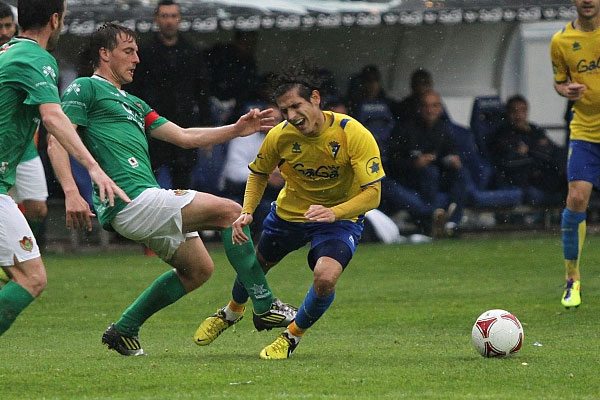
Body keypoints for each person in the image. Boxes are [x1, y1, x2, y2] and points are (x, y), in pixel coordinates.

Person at [48, 22, 295, 356]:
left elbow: (183, 136)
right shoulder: (84, 88)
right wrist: (71, 192)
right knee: (230, 212)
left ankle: (124, 329)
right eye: (129, 51)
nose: (136, 58)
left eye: (136, 51)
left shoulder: (134, 104)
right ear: (104, 54)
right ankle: (265, 305)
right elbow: (56, 140)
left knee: (198, 270)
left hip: (142, 199)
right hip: (130, 199)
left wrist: (236, 130)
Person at [194, 63, 386, 359]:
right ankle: (231, 313)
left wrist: (334, 213)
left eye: (297, 106)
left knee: (325, 278)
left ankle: (291, 336)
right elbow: (258, 173)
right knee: (256, 265)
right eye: (285, 110)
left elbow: (373, 194)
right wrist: (247, 211)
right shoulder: (280, 135)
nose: (292, 116)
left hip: (339, 219)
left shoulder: (352, 134)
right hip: (289, 214)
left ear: (316, 99)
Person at [0, 0, 128, 337]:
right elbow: (53, 117)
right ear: (55, 20)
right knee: (32, 278)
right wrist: (93, 168)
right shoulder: (36, 58)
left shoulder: (7, 52)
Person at [127, 0, 210, 190]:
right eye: (164, 16)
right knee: (147, 180)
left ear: (179, 19)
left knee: (183, 183)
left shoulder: (192, 51)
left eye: (173, 16)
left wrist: (206, 127)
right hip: (153, 124)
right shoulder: (144, 53)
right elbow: (135, 90)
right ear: (156, 19)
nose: (169, 21)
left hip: (184, 123)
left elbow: (202, 92)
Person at [550, 0, 600, 309]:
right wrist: (565, 90)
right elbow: (559, 82)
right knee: (577, 199)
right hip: (585, 132)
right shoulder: (561, 41)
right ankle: (572, 279)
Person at [387, 89, 466, 237]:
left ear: (441, 108)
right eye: (426, 106)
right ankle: (431, 219)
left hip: (436, 177)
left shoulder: (444, 129)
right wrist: (414, 163)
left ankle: (452, 223)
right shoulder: (405, 128)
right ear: (419, 108)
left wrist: (452, 160)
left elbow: (450, 153)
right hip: (409, 178)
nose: (430, 110)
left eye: (435, 106)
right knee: (429, 173)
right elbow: (392, 161)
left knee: (460, 174)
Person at [0, 1, 48, 244]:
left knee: (38, 208)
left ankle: (21, 250)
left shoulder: (24, 54)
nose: (4, 32)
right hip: (3, 143)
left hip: (24, 146)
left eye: (8, 26)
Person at [220, 103, 284, 240]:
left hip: (278, 191)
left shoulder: (288, 139)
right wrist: (267, 175)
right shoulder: (244, 137)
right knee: (265, 206)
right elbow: (233, 172)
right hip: (241, 189)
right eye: (270, 119)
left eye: (278, 120)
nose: (273, 123)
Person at [489, 95, 566, 198]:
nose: (519, 116)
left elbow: (552, 149)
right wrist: (537, 151)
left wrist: (529, 150)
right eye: (514, 111)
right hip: (523, 176)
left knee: (565, 161)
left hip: (544, 170)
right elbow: (508, 160)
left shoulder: (534, 130)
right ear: (508, 113)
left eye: (522, 111)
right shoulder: (502, 134)